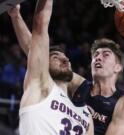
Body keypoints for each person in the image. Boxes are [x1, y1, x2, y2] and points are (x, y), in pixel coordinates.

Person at [8, 4, 124, 135]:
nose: (98, 58)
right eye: (95, 55)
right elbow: (37, 53)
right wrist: (16, 16)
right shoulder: (79, 85)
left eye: (105, 55)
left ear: (118, 67)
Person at [8, 0, 93, 134]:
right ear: (43, 64)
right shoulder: (40, 85)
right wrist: (16, 16)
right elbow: (40, 24)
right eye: (55, 57)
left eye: (66, 58)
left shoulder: (86, 114)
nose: (64, 59)